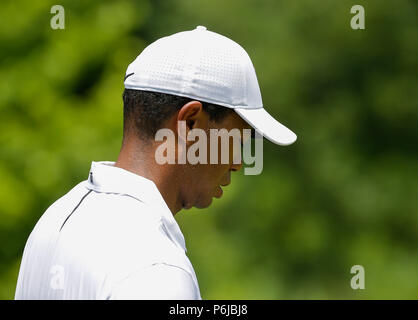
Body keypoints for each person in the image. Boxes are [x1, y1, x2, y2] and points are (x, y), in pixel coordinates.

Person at [15, 26, 296, 299]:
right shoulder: (157, 272)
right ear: (190, 123)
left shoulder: (56, 221)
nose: (237, 163)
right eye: (238, 141)